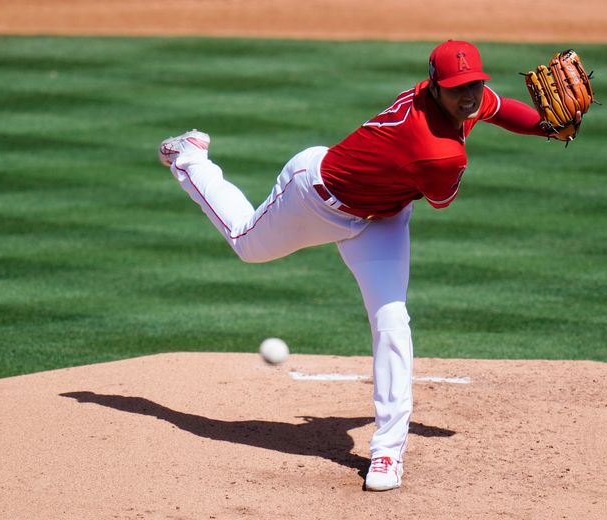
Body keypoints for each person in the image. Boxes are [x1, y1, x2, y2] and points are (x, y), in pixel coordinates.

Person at [158, 40, 564, 491]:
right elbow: (442, 198)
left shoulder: (442, 96)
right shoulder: (438, 152)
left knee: (392, 321)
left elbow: (497, 108)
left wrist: (547, 125)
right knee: (246, 244)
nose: (468, 96)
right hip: (315, 199)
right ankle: (190, 158)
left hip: (381, 218)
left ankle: (388, 452)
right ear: (434, 87)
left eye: (473, 85)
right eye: (457, 89)